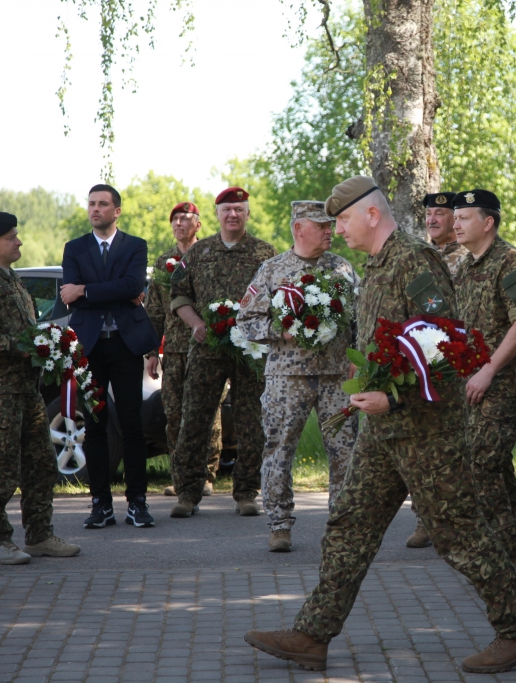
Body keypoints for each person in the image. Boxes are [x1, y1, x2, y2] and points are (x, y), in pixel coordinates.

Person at [244, 176, 516, 674]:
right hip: (385, 430)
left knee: (458, 533)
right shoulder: (377, 265)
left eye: (341, 220)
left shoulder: (413, 261)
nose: (336, 230)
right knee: (350, 525)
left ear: (372, 215)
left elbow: (446, 343)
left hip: (426, 429)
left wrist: (392, 395)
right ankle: (313, 635)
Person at [0, 212, 81, 565]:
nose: (19, 241)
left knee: (40, 465)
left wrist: (46, 345)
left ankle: (39, 536)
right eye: (12, 237)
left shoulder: (11, 281)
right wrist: (19, 346)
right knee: (0, 468)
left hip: (27, 391)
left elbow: (28, 331)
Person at [236, 200, 359, 552]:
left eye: (330, 225)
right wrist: (282, 329)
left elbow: (361, 316)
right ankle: (279, 524)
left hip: (337, 376)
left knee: (345, 451)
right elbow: (246, 322)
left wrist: (359, 357)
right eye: (321, 225)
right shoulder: (273, 270)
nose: (329, 231)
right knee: (279, 449)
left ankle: (342, 526)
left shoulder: (342, 268)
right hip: (286, 378)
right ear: (298, 228)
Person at [168, 187, 277, 518]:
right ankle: (187, 493)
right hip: (207, 347)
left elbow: (278, 298)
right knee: (194, 419)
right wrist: (197, 325)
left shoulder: (264, 253)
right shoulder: (199, 253)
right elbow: (179, 296)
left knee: (251, 421)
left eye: (239, 209)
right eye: (227, 209)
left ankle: (246, 492)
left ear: (247, 213)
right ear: (217, 215)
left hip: (250, 350)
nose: (233, 214)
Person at [452, 188, 516, 584]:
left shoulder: (511, 261)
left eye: (464, 217)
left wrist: (488, 370)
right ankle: (514, 557)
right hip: (472, 383)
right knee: (495, 469)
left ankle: (505, 560)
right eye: (454, 217)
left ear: (488, 222)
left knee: (481, 466)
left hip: (502, 382)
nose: (456, 223)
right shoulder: (465, 267)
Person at [61, 184, 160, 529]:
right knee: (97, 427)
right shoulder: (75, 248)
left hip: (125, 344)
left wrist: (87, 290)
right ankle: (100, 503)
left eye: (103, 204)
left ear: (116, 211)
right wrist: (111, 292)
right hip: (89, 348)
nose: (95, 209)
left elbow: (132, 286)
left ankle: (138, 503)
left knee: (132, 426)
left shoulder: (135, 245)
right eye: (91, 203)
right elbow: (68, 296)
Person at [405, 190, 471, 548]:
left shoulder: (466, 257)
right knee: (422, 445)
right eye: (429, 213)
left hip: (460, 360)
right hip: (428, 358)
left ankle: (456, 523)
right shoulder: (421, 255)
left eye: (441, 214)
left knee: (454, 449)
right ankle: (425, 519)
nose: (432, 219)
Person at [144, 202, 222, 498]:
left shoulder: (211, 255)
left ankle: (206, 475)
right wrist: (152, 352)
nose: (179, 223)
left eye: (185, 218)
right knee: (174, 413)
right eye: (175, 218)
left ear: (198, 224)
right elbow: (155, 311)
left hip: (207, 346)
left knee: (208, 411)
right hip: (174, 350)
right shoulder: (166, 260)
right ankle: (181, 476)